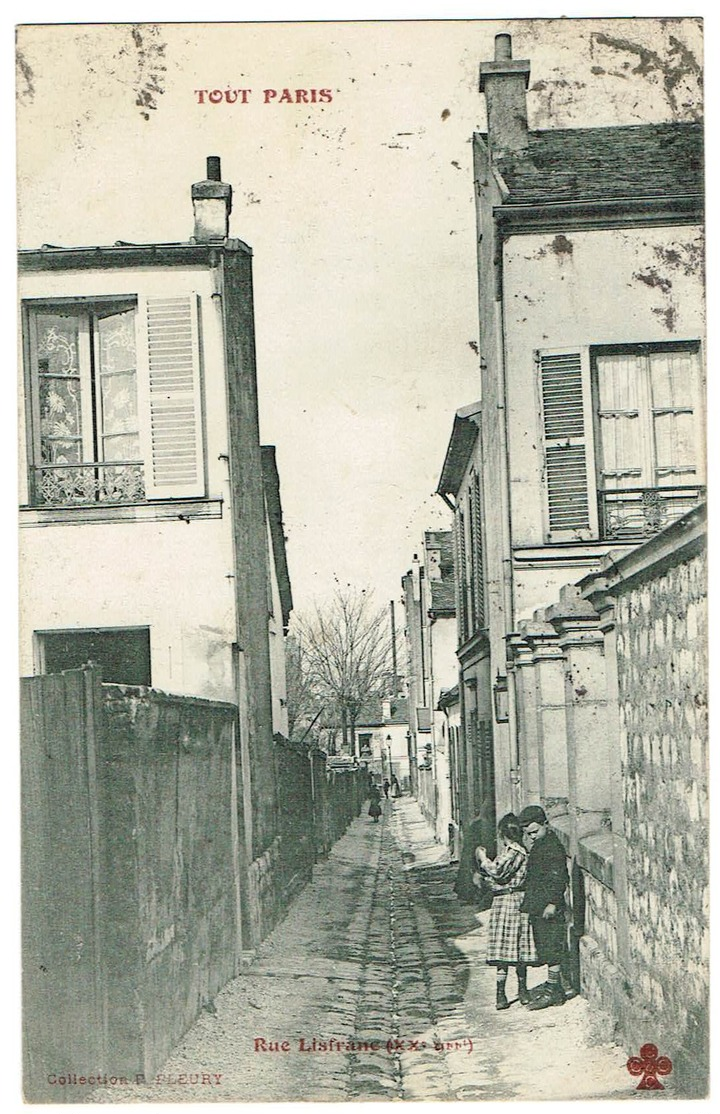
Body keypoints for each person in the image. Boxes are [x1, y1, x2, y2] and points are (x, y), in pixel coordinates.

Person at [474, 813, 538, 1010]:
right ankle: (508, 992)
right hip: (504, 899)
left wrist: (482, 858)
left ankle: (517, 990)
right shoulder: (516, 851)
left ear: (504, 834)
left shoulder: (514, 852)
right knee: (509, 949)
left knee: (512, 948)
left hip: (510, 901)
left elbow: (497, 871)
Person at [518, 804, 569, 1010]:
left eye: (534, 831)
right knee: (545, 947)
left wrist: (553, 903)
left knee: (551, 947)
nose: (531, 836)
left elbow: (559, 878)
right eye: (528, 834)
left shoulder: (552, 847)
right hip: (539, 905)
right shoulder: (541, 844)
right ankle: (554, 989)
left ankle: (553, 991)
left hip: (549, 906)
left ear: (546, 825)